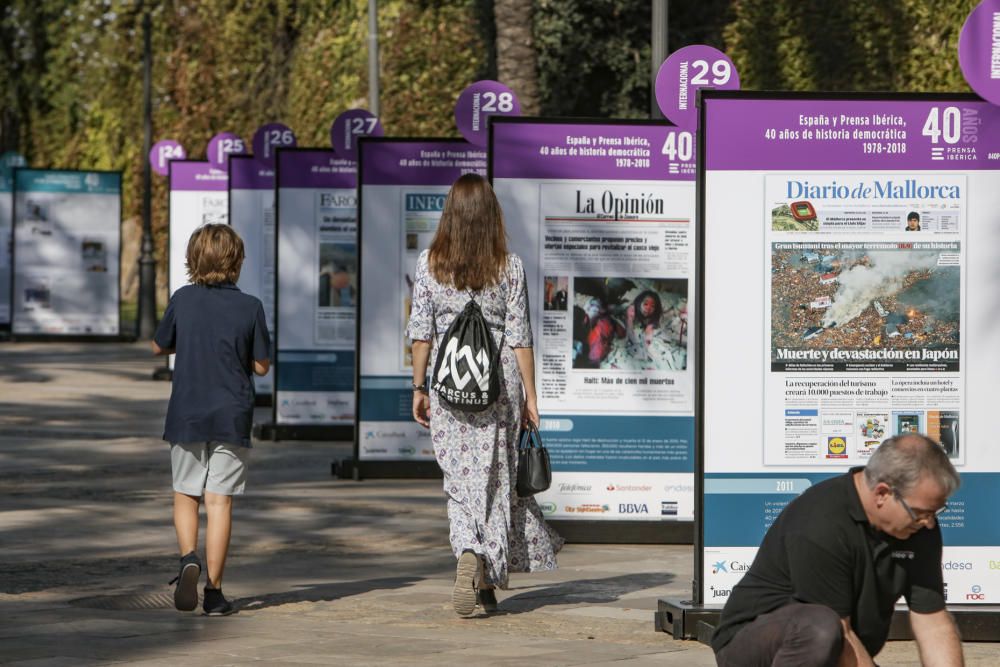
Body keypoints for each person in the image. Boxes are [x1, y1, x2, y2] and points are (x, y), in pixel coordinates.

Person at [406, 173, 563, 617]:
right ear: (491, 215)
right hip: (498, 390)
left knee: (459, 484)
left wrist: (420, 387)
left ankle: (469, 556)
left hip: (451, 386)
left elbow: (421, 334)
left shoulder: (429, 264)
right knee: (494, 483)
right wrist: (532, 398)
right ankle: (482, 567)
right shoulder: (507, 267)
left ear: (450, 215)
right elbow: (520, 339)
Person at [712, 434, 963, 666]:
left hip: (833, 645)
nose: (929, 523)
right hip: (754, 645)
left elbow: (932, 620)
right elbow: (841, 637)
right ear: (882, 493)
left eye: (935, 512)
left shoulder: (918, 525)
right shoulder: (821, 522)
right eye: (921, 513)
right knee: (820, 628)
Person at [152, 224, 270, 616]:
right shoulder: (250, 306)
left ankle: (188, 556)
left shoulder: (182, 299)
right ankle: (215, 592)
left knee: (186, 493)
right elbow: (261, 365)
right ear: (236, 262)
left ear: (193, 260)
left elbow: (158, 344)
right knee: (220, 503)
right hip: (232, 414)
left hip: (187, 410)